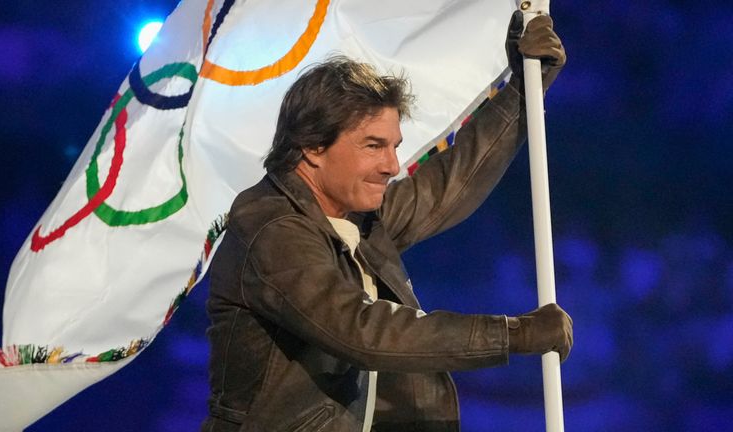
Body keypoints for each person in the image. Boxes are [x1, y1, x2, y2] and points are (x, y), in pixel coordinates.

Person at [202, 11, 573, 432]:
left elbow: (447, 186)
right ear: (311, 148)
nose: (392, 165)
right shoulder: (271, 226)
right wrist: (513, 334)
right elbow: (362, 331)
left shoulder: (355, 214)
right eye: (373, 146)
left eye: (394, 146)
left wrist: (523, 92)